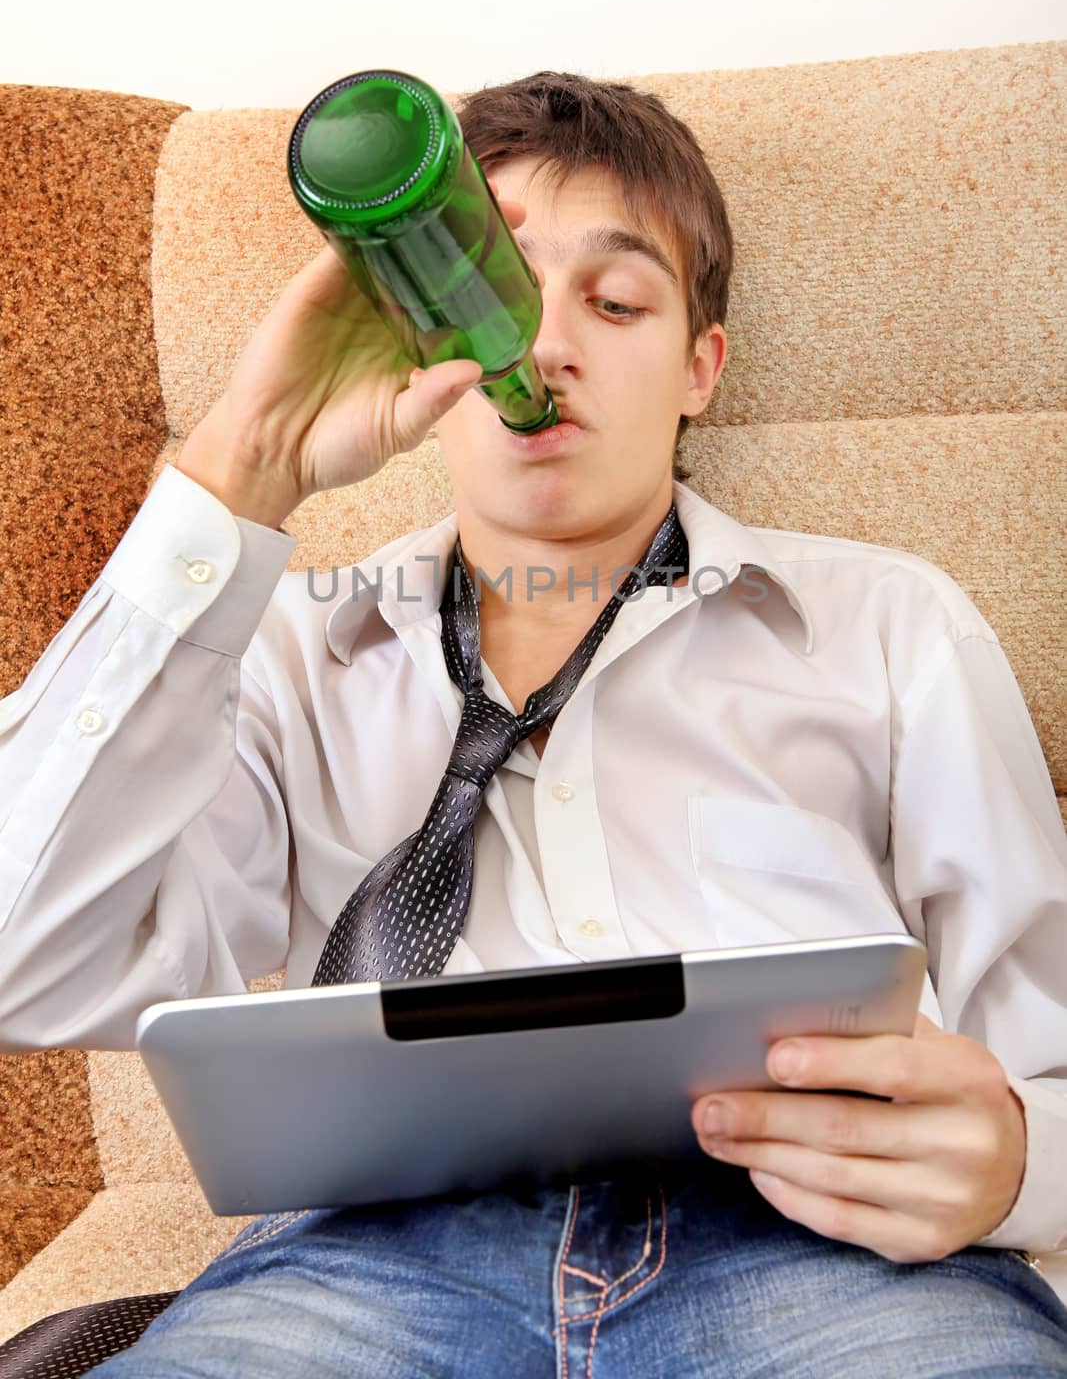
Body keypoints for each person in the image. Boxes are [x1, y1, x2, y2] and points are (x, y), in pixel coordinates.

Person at [1, 70, 1065, 1377]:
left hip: (823, 1244)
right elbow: (20, 961)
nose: (544, 345)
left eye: (616, 302)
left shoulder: (887, 623)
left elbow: (1048, 1045)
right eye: (488, 293)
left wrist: (1017, 1156)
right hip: (367, 1256)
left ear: (699, 368)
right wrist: (243, 463)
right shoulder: (281, 650)